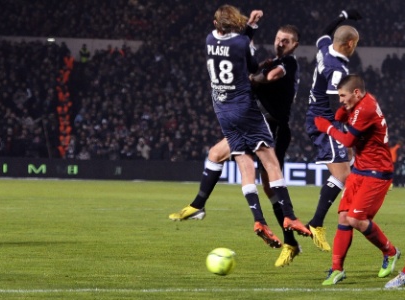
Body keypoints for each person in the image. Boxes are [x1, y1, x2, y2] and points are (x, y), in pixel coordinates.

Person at [171, 5, 311, 249]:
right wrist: (250, 35)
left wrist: (251, 29)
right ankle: (289, 216)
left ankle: (256, 219)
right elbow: (253, 66)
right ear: (236, 23)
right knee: (270, 164)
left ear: (216, 25)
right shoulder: (241, 44)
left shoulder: (208, 39)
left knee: (241, 163)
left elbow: (237, 46)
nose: (279, 43)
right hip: (245, 110)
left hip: (221, 109)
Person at [314, 74, 400, 285]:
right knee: (344, 217)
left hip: (377, 172)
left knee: (356, 219)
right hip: (361, 170)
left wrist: (326, 127)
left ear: (356, 93)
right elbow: (340, 115)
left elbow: (348, 139)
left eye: (343, 96)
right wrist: (343, 108)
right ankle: (337, 269)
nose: (340, 99)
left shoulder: (366, 108)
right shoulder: (358, 103)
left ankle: (390, 252)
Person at [304, 9, 362, 252]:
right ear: (349, 44)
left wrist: (343, 14)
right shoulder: (336, 68)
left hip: (319, 119)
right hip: (324, 123)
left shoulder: (325, 48)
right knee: (343, 175)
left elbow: (323, 33)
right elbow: (334, 103)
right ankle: (316, 224)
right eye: (356, 44)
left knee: (345, 169)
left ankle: (329, 218)